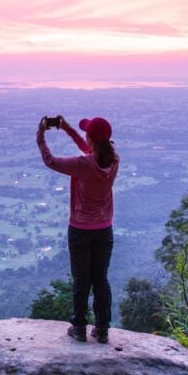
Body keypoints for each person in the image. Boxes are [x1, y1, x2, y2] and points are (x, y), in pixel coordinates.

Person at [36, 115, 118, 344]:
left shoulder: (84, 164)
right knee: (100, 279)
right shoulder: (113, 160)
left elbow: (51, 161)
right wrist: (67, 128)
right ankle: (102, 329)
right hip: (104, 229)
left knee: (81, 279)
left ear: (90, 138)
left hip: (80, 229)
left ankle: (79, 327)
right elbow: (90, 149)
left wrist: (40, 136)